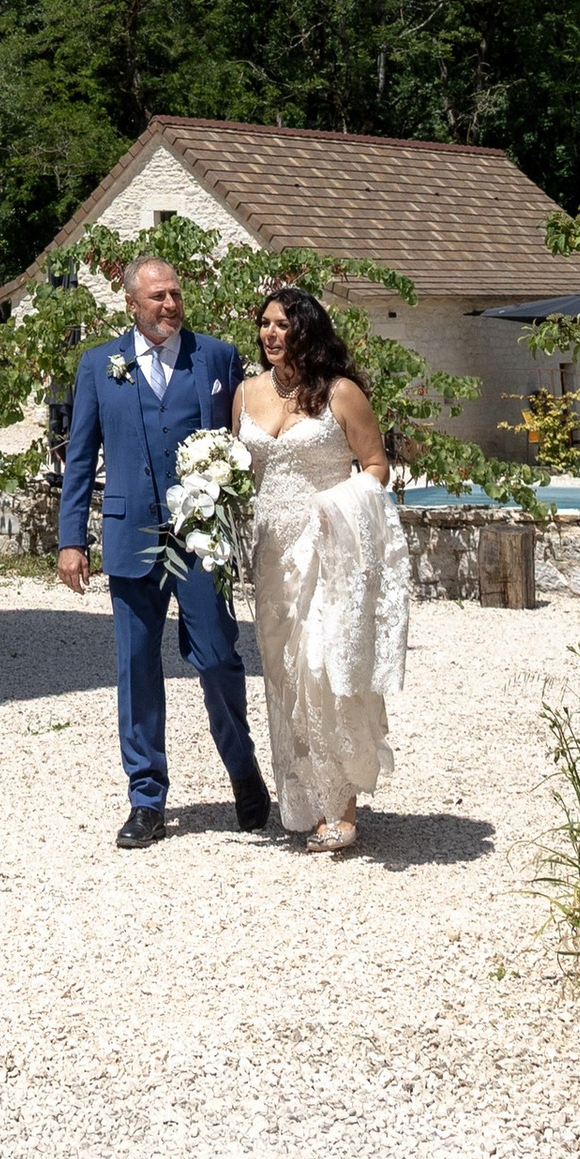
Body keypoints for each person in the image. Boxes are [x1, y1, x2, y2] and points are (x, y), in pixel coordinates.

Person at [57, 254, 275, 850]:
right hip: (133, 537)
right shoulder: (101, 365)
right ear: (132, 304)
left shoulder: (217, 358)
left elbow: (245, 438)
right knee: (137, 667)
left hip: (195, 541)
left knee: (216, 655)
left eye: (175, 293)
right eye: (157, 297)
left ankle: (244, 772)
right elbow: (80, 458)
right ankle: (146, 797)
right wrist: (72, 538)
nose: (169, 304)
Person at [234, 283, 411, 855]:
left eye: (283, 325)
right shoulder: (245, 393)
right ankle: (303, 800)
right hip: (271, 556)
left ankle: (341, 804)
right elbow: (239, 471)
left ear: (307, 331)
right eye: (265, 324)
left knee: (322, 669)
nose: (271, 334)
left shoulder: (341, 393)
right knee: (284, 673)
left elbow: (377, 467)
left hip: (327, 550)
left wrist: (337, 505)